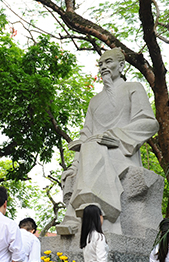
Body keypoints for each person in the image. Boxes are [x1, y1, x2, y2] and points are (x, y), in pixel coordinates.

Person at [57, 48, 159, 235]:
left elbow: (149, 123)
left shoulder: (133, 88)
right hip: (92, 151)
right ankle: (88, 217)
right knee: (90, 149)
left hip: (121, 152)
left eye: (108, 62)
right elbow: (86, 133)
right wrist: (74, 163)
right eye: (101, 64)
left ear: (121, 65)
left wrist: (115, 136)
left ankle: (79, 217)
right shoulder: (94, 101)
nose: (103, 66)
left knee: (94, 149)